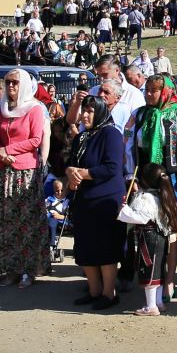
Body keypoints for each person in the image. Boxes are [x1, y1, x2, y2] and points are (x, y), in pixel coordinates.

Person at [0, 68, 50, 288]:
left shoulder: (33, 108)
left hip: (25, 171)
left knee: (27, 221)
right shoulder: (2, 109)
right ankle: (11, 268)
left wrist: (10, 150)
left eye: (15, 82)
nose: (11, 86)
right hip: (5, 170)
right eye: (8, 83)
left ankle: (29, 269)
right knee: (7, 221)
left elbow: (36, 139)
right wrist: (1, 152)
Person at [67, 95, 126, 309]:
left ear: (100, 112)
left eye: (90, 111)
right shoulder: (82, 137)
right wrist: (70, 171)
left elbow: (112, 167)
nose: (84, 115)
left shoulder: (111, 134)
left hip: (105, 199)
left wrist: (83, 173)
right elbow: (71, 162)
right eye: (84, 110)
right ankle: (93, 291)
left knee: (105, 247)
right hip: (84, 198)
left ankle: (109, 293)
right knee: (85, 246)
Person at [118, 162, 177, 316]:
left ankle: (151, 306)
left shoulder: (145, 198)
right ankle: (159, 302)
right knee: (159, 270)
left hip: (148, 239)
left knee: (149, 271)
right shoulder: (164, 194)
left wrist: (124, 210)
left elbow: (139, 218)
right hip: (161, 238)